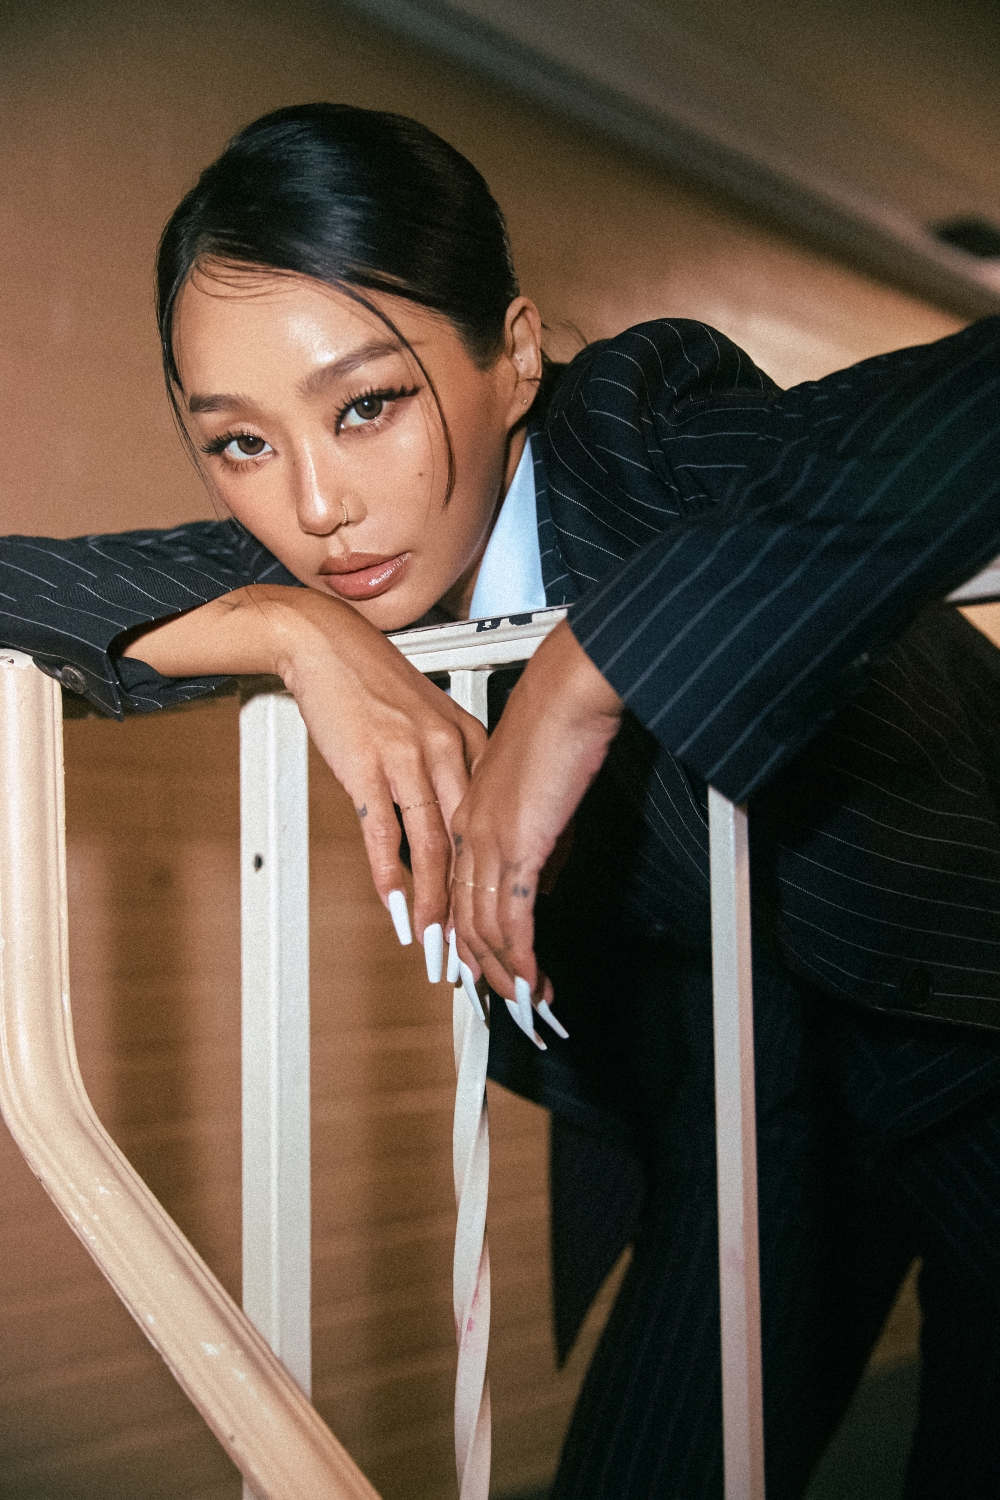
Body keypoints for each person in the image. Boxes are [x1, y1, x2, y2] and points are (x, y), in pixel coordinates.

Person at [3, 103, 1000, 1497]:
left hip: (976, 1029)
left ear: (517, 355)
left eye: (368, 405)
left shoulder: (646, 433)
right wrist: (290, 631)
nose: (317, 506)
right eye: (240, 444)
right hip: (744, 1110)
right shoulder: (323, 568)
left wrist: (592, 666)